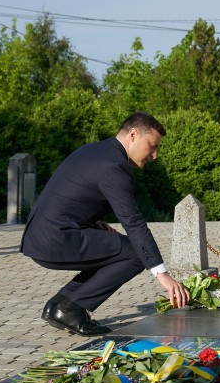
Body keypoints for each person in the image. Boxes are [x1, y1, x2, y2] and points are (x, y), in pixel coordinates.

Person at [20, 112, 189, 336]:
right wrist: (162, 274)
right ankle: (70, 308)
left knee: (116, 247)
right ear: (133, 134)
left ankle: (58, 305)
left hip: (40, 235)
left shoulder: (95, 150)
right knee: (136, 254)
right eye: (152, 146)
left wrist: (94, 223)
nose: (155, 155)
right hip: (56, 239)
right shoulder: (115, 167)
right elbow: (134, 223)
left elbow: (71, 194)